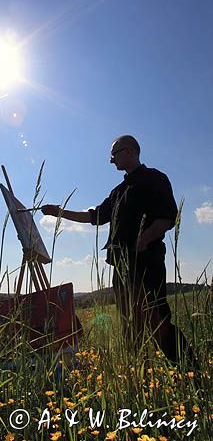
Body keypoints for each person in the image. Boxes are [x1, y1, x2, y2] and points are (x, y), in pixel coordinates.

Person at [42, 135, 191, 363]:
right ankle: (140, 377)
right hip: (120, 266)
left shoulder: (155, 179)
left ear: (129, 151)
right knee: (130, 324)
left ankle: (192, 373)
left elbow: (168, 216)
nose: (111, 160)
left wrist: (146, 237)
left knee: (156, 320)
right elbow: (94, 216)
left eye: (114, 154)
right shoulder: (118, 191)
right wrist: (59, 212)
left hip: (145, 261)